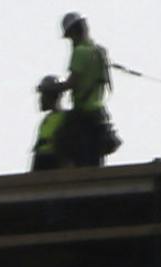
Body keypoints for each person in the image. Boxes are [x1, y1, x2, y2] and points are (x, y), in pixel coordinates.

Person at [56, 12, 119, 168]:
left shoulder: (80, 52)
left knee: (76, 156)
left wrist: (54, 87)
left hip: (84, 115)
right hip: (99, 114)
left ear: (73, 33)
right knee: (95, 161)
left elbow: (72, 82)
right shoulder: (99, 52)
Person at [31, 76, 69, 171]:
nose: (40, 100)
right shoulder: (46, 120)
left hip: (55, 163)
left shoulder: (66, 118)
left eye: (44, 95)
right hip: (41, 162)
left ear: (53, 96)